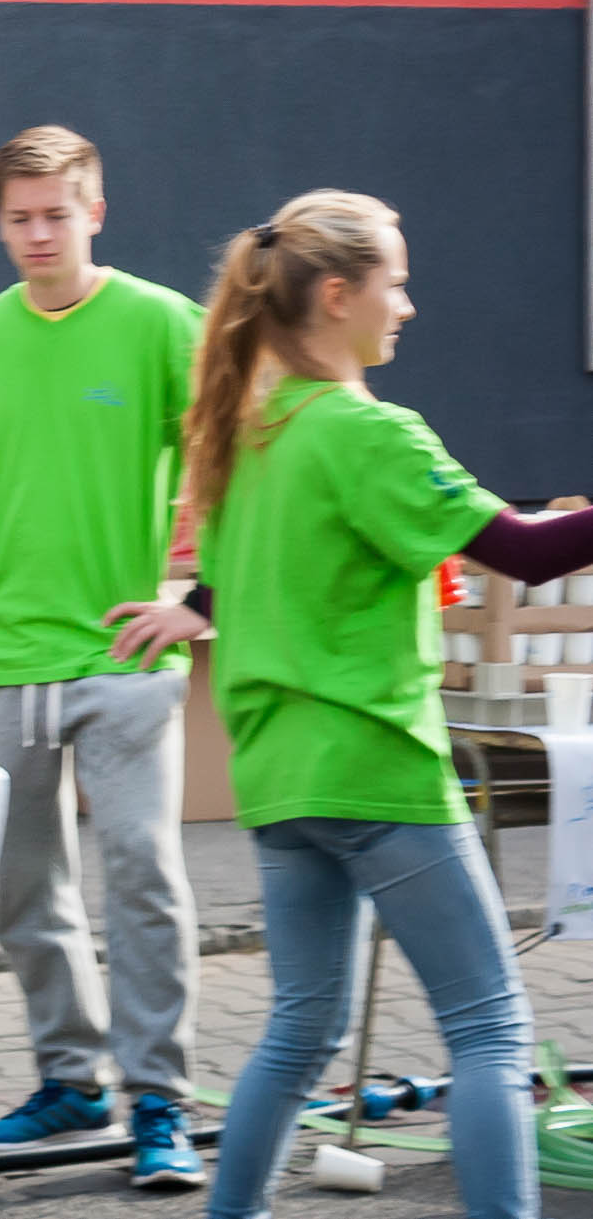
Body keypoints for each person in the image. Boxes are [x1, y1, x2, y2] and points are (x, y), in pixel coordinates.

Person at [144, 191, 586, 1219]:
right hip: (374, 766)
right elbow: (521, 551)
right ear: (338, 295)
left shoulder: (251, 435)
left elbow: (228, 584)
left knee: (299, 1033)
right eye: (397, 281)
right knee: (489, 1029)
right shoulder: (367, 431)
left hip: (276, 778)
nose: (409, 305)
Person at [0, 125, 207, 1185]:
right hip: (0, 661)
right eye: (19, 217)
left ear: (94, 213)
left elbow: (239, 450)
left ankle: (158, 1099)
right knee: (26, 888)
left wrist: (202, 599)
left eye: (56, 214)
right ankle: (69, 1078)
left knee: (143, 875)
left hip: (122, 657)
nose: (37, 234)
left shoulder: (162, 323)